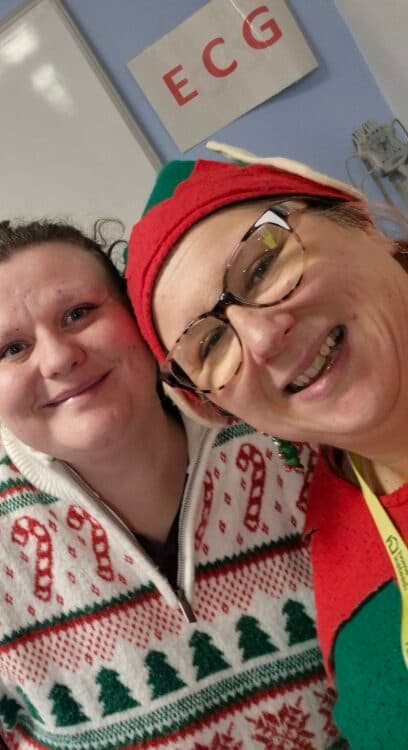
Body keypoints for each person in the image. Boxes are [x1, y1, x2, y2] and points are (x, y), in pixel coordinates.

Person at [0, 220, 336, 748]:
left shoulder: (273, 423)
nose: (58, 358)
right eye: (12, 349)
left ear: (136, 313)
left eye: (78, 313)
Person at [125, 153, 408, 748]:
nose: (260, 335)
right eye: (208, 346)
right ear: (216, 407)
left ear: (358, 218)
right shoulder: (330, 524)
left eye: (262, 266)